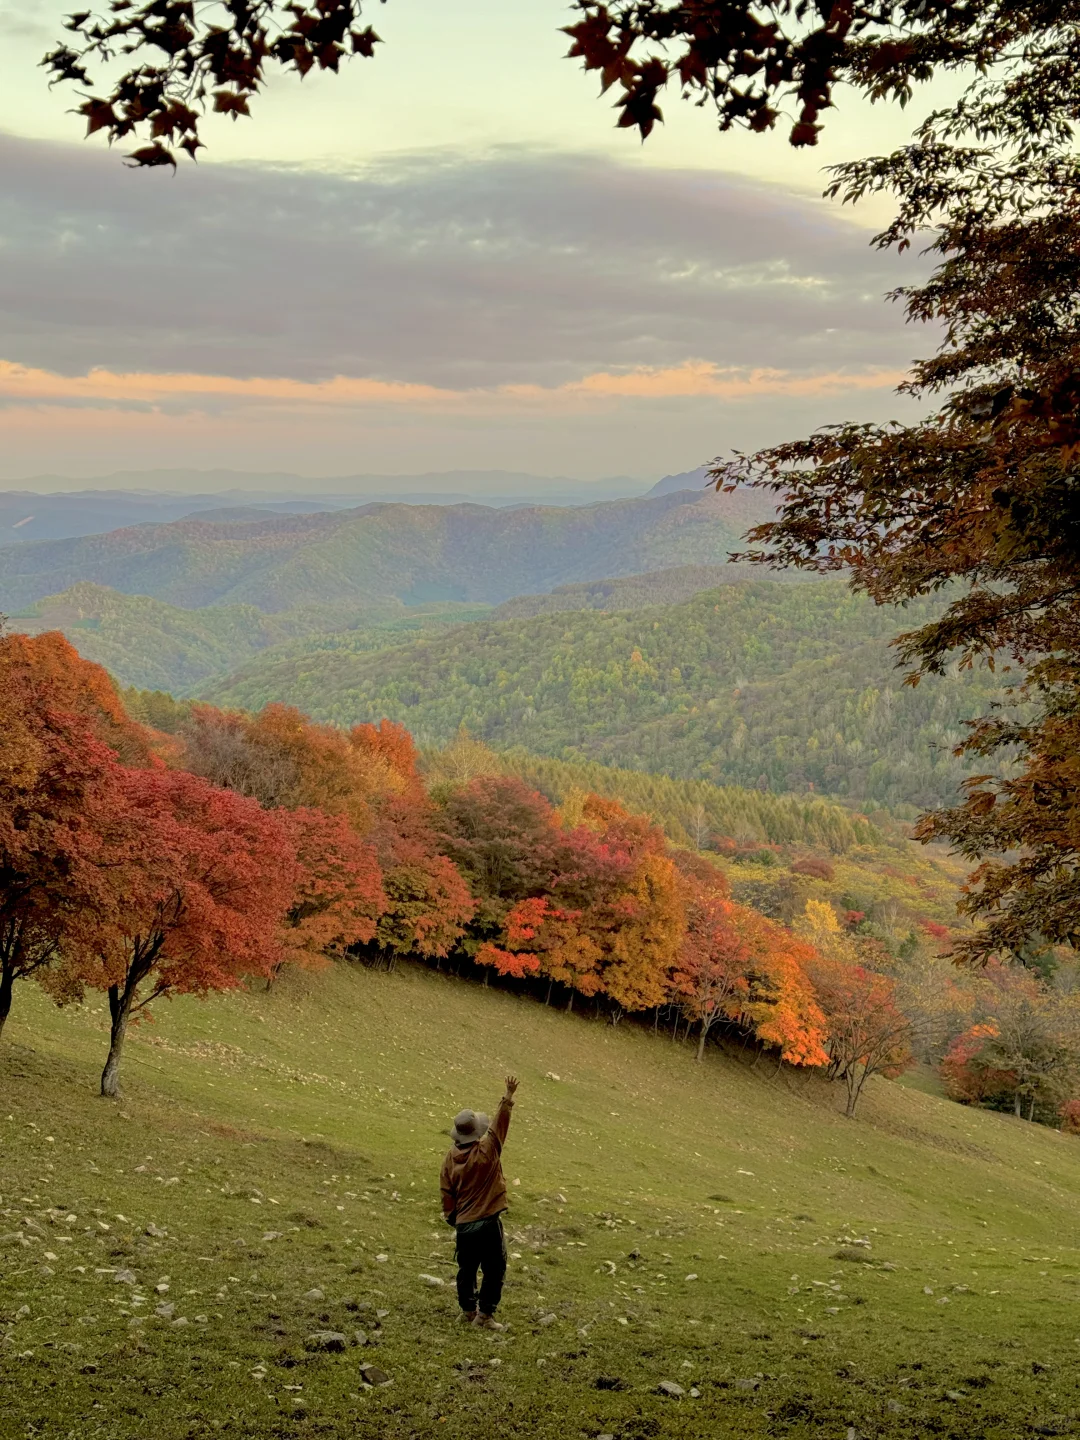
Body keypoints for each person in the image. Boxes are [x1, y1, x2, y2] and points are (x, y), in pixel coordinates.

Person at [440, 1073, 519, 1328]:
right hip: (487, 1222)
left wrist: (455, 1220)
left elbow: (446, 1193)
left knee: (466, 1269)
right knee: (495, 1268)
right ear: (476, 1133)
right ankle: (485, 1315)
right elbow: (499, 1126)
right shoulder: (487, 1151)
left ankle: (467, 1311)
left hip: (464, 1226)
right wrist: (507, 1097)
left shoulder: (450, 1159)